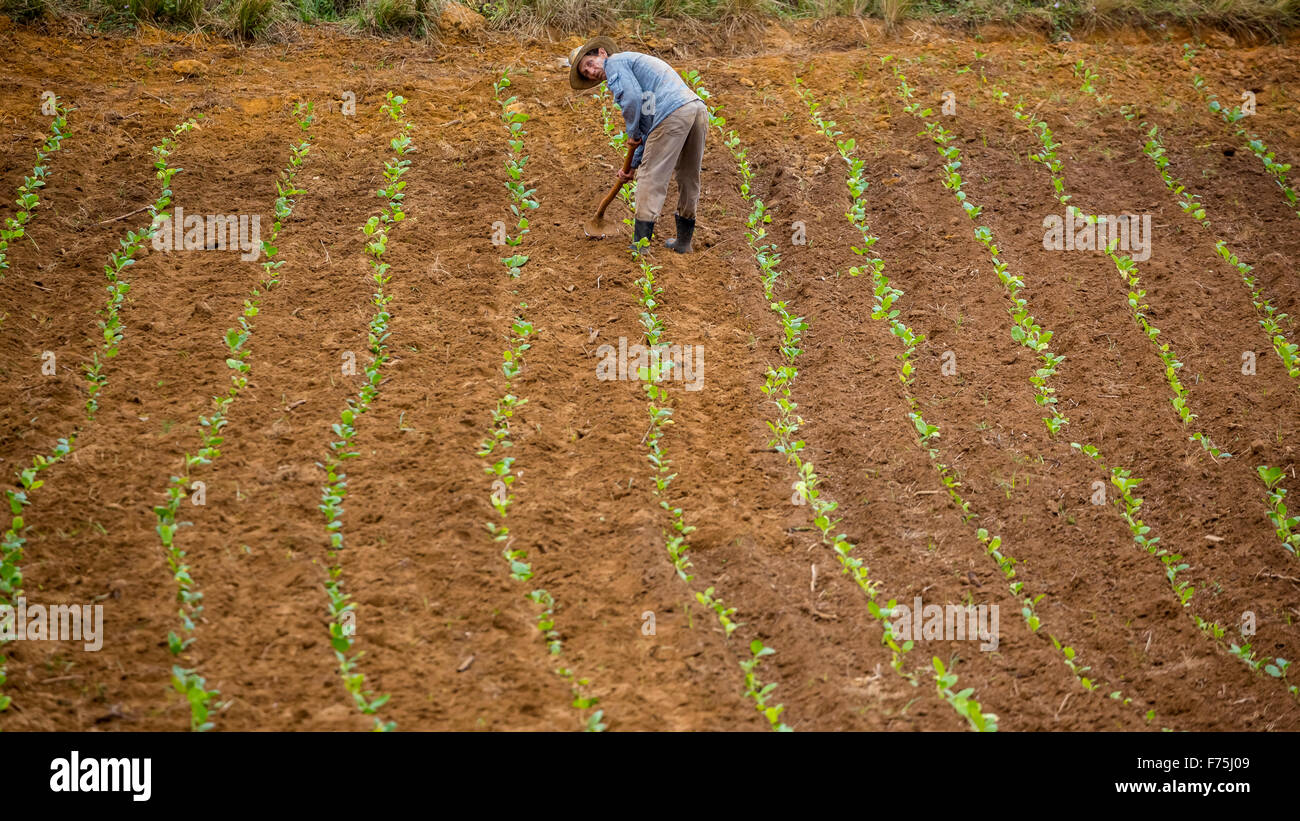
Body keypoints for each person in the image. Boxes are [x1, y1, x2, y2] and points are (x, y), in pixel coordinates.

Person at [569, 36, 707, 254]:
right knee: (689, 175)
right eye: (586, 73)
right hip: (695, 108)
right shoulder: (634, 66)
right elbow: (648, 122)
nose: (591, 72)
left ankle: (640, 245)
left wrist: (631, 135)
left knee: (650, 177)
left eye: (589, 64)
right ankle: (683, 242)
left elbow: (631, 100)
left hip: (672, 112)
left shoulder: (615, 63)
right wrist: (632, 164)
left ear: (602, 53)